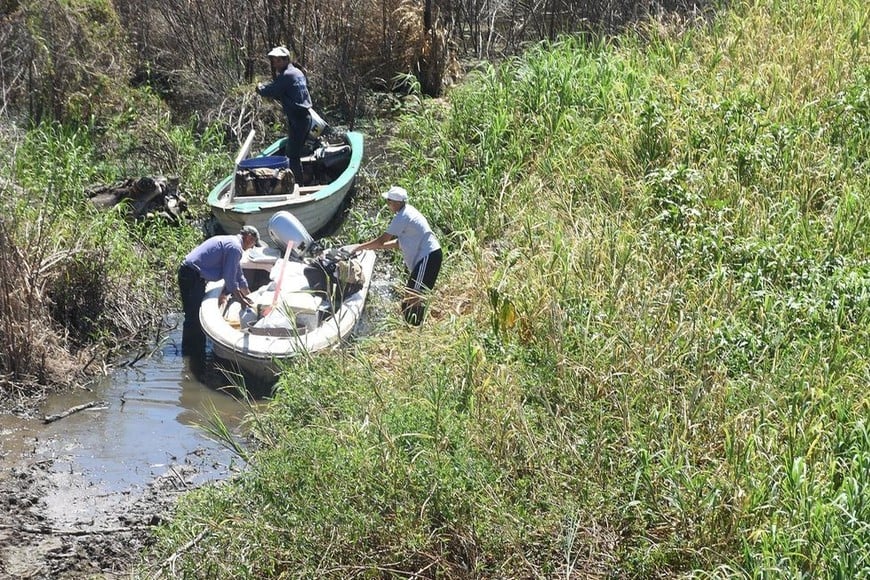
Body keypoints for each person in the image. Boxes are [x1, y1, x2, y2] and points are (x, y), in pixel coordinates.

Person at [351, 186, 442, 325]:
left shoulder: (403, 216)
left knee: (413, 296)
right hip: (429, 256)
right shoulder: (407, 212)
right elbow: (399, 243)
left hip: (429, 256)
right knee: (411, 296)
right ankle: (414, 326)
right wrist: (374, 247)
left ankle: (416, 328)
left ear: (398, 202)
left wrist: (359, 247)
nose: (388, 204)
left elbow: (381, 240)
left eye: (389, 201)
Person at [177, 225, 260, 352]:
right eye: (253, 243)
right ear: (249, 238)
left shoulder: (233, 243)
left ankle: (195, 350)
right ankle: (189, 352)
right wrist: (241, 301)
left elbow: (238, 274)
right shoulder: (235, 248)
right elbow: (230, 279)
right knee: (193, 316)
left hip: (192, 274)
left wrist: (248, 295)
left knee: (194, 315)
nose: (252, 247)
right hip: (191, 275)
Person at [255, 46, 312, 185]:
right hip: (305, 118)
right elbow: (286, 92)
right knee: (294, 152)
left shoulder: (287, 75)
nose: (275, 64)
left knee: (292, 155)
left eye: (278, 61)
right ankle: (300, 180)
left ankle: (297, 185)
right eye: (274, 61)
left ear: (287, 60)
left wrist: (259, 88)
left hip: (298, 120)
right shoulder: (297, 72)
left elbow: (271, 90)